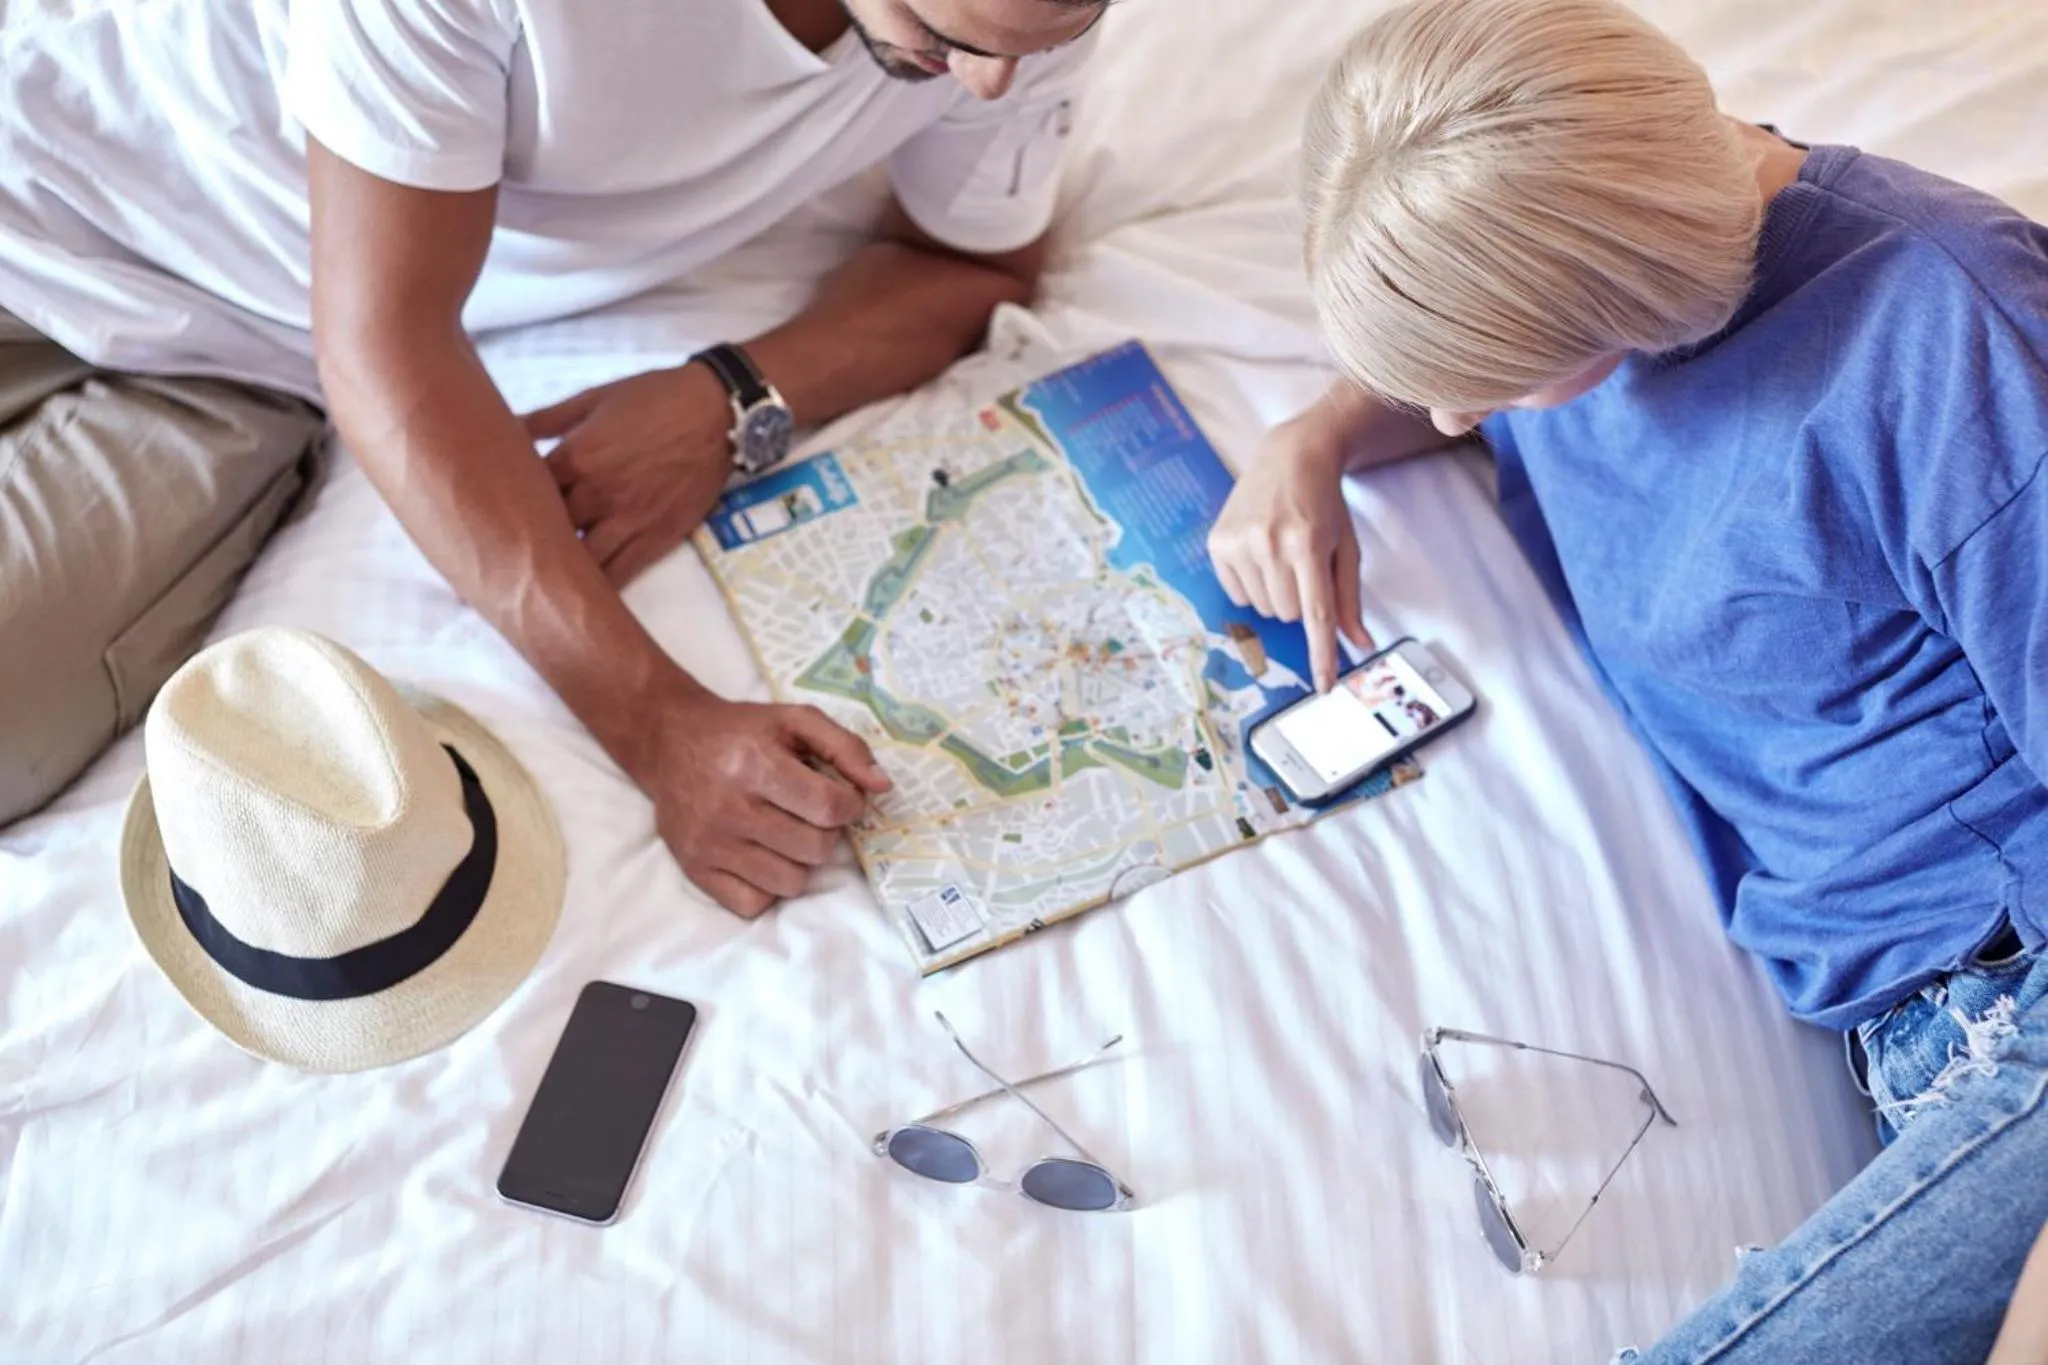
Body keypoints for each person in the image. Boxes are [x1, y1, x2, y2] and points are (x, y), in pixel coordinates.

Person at [1208, 0, 2048, 1356]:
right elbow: (1454, 352)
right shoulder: (1611, 240)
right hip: (1923, 1035)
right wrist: (1309, 437)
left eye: (1499, 381)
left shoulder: (1949, 338)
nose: (1454, 425)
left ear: (1635, 300)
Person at [0, 0, 1104, 917]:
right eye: (938, 32)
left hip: (220, 360)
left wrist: (733, 396)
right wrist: (656, 722)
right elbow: (388, 339)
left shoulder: (1011, 24)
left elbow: (969, 267)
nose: (988, 90)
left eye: (1037, 42)